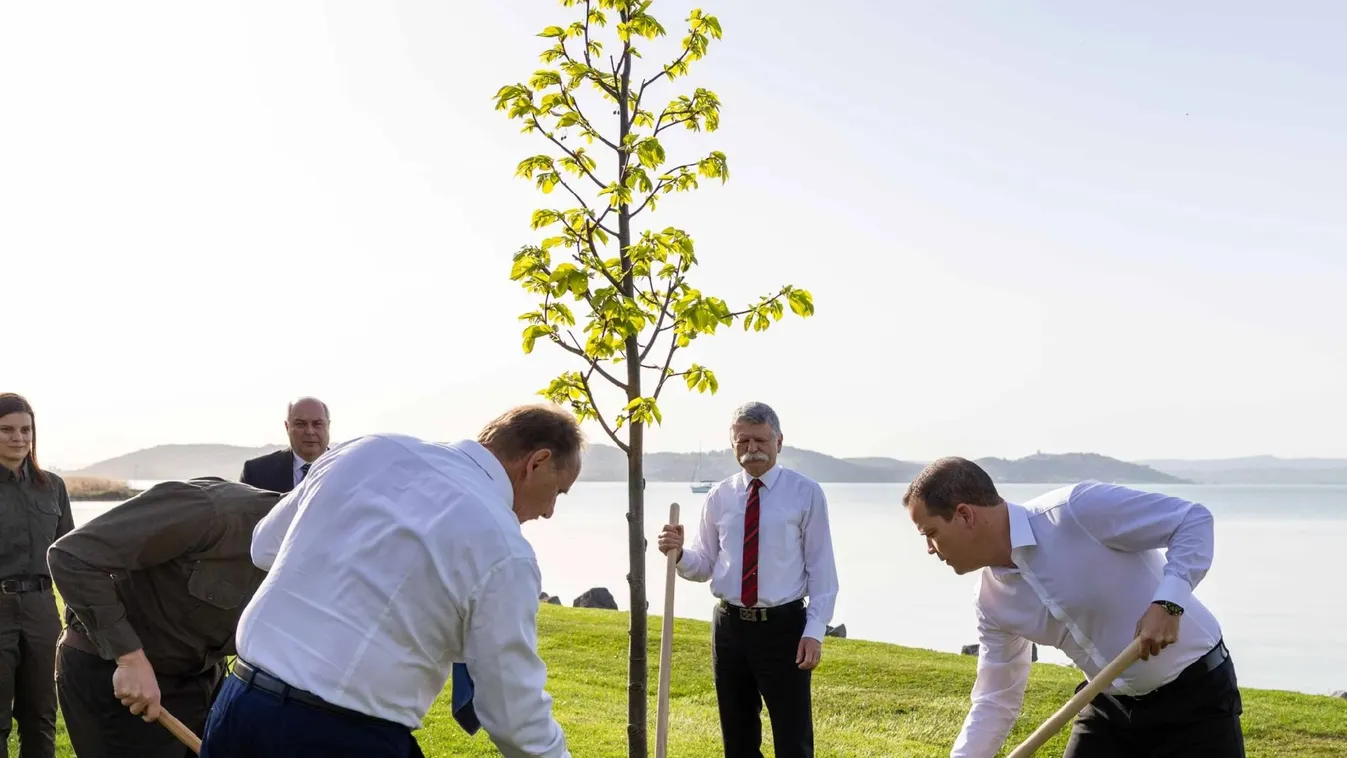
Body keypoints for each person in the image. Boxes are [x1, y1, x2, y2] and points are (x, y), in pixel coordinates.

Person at [198, 403, 581, 758]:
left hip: (239, 705)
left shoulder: (366, 450)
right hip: (340, 737)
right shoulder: (504, 548)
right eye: (559, 492)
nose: (549, 511)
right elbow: (512, 711)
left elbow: (265, 546)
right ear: (538, 462)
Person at [903, 457, 1244, 758]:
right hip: (1107, 707)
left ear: (964, 514)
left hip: (1197, 699)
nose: (930, 549)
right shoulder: (991, 602)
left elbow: (1192, 521)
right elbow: (995, 698)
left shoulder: (1077, 510)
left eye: (930, 532)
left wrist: (1169, 602)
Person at [46, 477, 283, 758]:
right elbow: (71, 557)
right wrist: (129, 658)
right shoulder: (210, 509)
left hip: (200, 680)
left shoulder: (325, 559)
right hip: (116, 675)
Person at [657, 401, 839, 758]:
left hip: (784, 628)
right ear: (733, 445)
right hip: (729, 628)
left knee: (793, 738)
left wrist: (814, 631)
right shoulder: (720, 496)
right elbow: (705, 563)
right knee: (737, 737)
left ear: (778, 441)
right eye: (743, 442)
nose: (752, 448)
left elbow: (823, 571)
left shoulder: (806, 494)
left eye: (760, 440)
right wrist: (677, 554)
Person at [0, 393, 72, 758]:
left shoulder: (53, 486)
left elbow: (71, 557)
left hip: (44, 611)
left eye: (25, 429)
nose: (18, 438)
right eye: (7, 430)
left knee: (41, 716)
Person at [239, 397, 330, 493]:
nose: (310, 432)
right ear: (287, 427)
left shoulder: (345, 473)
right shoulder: (256, 473)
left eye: (317, 424)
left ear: (328, 425)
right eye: (300, 424)